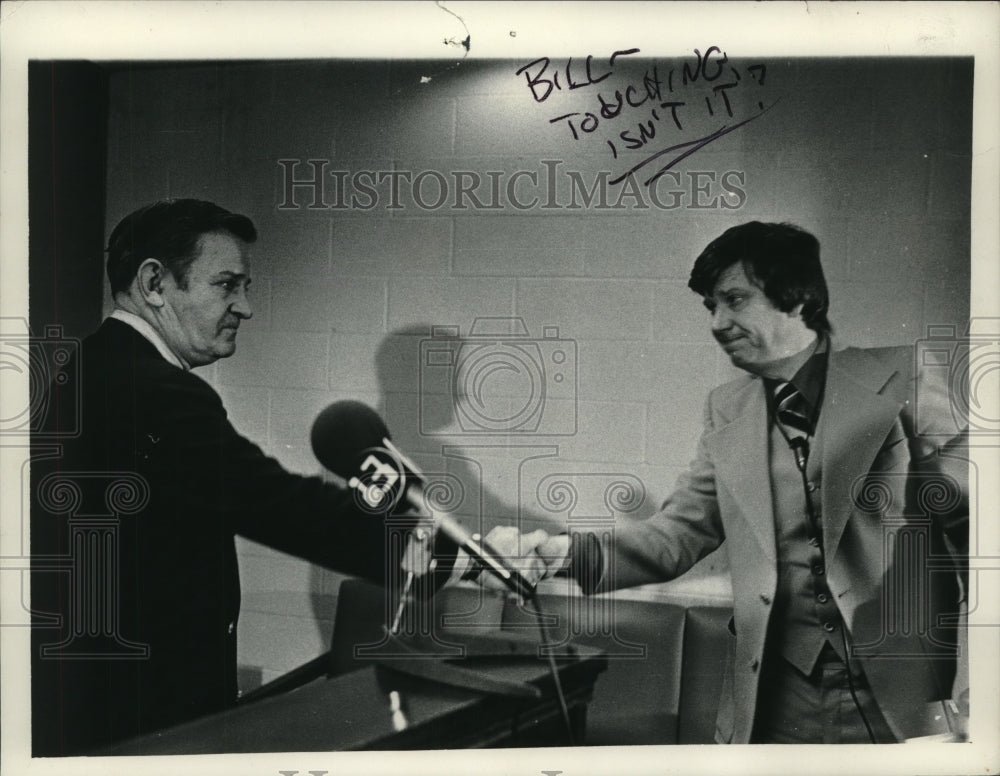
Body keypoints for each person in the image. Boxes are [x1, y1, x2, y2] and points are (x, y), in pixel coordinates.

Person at [482, 221, 969, 744]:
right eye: (711, 307)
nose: (718, 322)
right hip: (776, 701)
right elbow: (674, 537)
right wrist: (557, 552)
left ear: (798, 298)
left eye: (734, 300)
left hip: (903, 694)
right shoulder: (727, 411)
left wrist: (980, 686)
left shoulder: (904, 376)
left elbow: (980, 528)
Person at [29, 199, 452, 755]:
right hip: (142, 716)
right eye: (227, 285)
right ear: (154, 282)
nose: (245, 307)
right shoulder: (156, 392)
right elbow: (275, 503)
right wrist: (440, 551)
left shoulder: (86, 366)